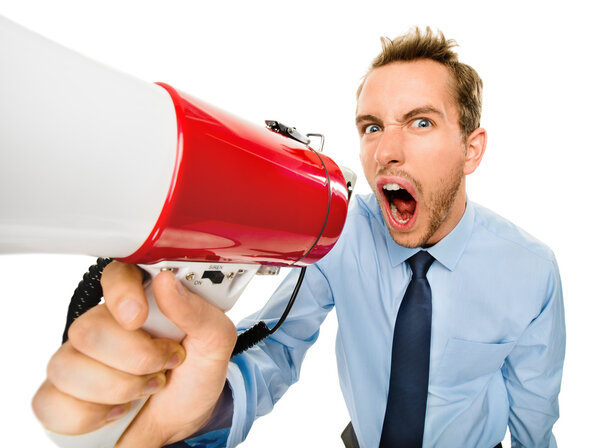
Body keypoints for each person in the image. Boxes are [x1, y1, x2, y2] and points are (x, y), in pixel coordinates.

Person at [32, 27, 565, 448]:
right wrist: (201, 404)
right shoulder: (342, 234)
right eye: (372, 127)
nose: (386, 151)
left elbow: (534, 403)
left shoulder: (531, 269)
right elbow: (280, 344)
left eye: (420, 122)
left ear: (472, 149)